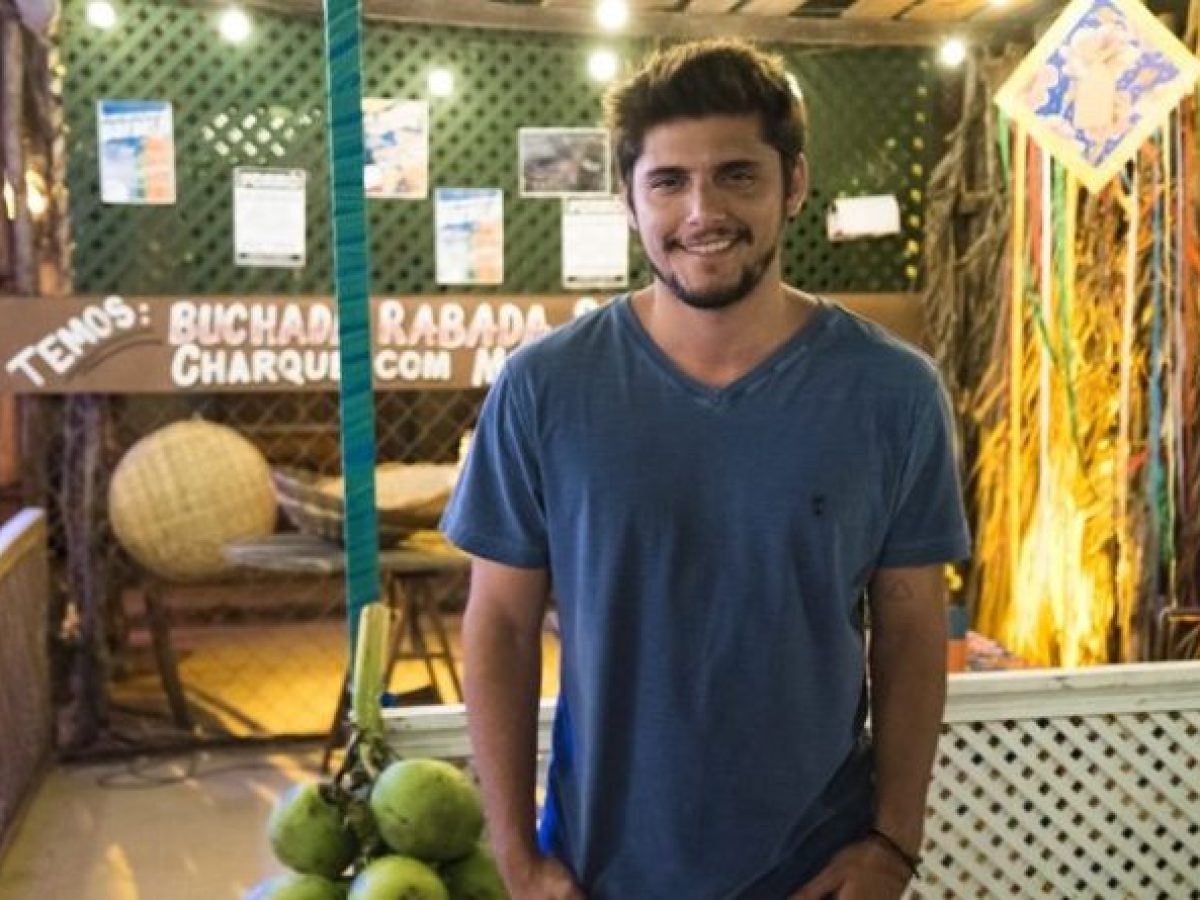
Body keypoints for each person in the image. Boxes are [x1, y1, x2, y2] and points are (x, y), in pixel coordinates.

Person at [441, 38, 970, 900]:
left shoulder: (893, 391)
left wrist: (894, 840)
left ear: (793, 184)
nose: (702, 212)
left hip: (818, 871)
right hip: (599, 873)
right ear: (628, 200)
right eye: (668, 182)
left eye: (736, 175)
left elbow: (911, 625)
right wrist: (517, 858)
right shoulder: (543, 388)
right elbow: (499, 622)